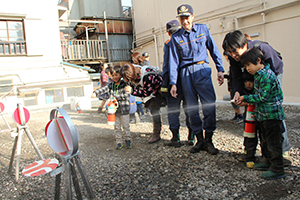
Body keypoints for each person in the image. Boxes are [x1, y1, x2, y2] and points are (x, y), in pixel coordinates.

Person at [222, 30, 292, 165]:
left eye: (235, 52)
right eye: (230, 52)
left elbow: (273, 72)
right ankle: (257, 151)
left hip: (272, 75)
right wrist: (237, 92)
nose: (233, 55)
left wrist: (258, 95)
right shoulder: (234, 57)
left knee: (272, 111)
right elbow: (236, 76)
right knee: (255, 113)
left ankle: (283, 151)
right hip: (252, 78)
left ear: (244, 45)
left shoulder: (262, 49)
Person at [168, 4, 225, 155]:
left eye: (187, 17)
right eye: (181, 18)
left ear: (192, 16)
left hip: (202, 71)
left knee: (209, 106)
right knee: (191, 109)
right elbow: (173, 62)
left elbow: (213, 49)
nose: (185, 21)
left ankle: (209, 140)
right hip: (185, 74)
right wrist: (173, 83)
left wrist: (220, 69)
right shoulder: (175, 37)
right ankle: (199, 140)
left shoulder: (203, 30)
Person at [237, 47, 286, 180]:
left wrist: (246, 98)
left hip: (272, 116)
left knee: (273, 142)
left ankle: (277, 168)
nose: (247, 68)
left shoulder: (266, 76)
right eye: (245, 66)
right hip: (264, 116)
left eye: (249, 65)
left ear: (258, 60)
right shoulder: (258, 75)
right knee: (264, 140)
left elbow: (262, 97)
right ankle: (267, 161)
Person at [161, 19, 193, 148]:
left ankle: (176, 138)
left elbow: (167, 65)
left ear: (168, 33)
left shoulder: (169, 43)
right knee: (189, 109)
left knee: (173, 110)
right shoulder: (187, 40)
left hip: (173, 82)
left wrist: (164, 84)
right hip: (188, 79)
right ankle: (191, 137)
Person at [121, 62, 165, 143]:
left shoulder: (147, 76)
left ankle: (156, 134)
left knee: (154, 108)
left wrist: (132, 91)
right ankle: (160, 128)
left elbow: (146, 93)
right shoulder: (134, 69)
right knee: (153, 108)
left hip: (159, 92)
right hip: (151, 93)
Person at [92, 65, 133, 149]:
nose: (114, 77)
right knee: (117, 127)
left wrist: (115, 97)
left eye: (116, 75)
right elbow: (103, 89)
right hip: (114, 110)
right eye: (113, 75)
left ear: (121, 75)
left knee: (126, 127)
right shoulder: (111, 85)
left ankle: (128, 140)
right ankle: (119, 142)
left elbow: (127, 95)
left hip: (124, 110)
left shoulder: (125, 84)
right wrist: (95, 93)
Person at [223, 51, 243, 124]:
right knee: (233, 102)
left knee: (235, 101)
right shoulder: (232, 65)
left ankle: (240, 115)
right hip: (231, 85)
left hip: (233, 85)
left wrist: (225, 76)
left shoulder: (234, 65)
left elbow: (234, 76)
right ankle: (236, 115)